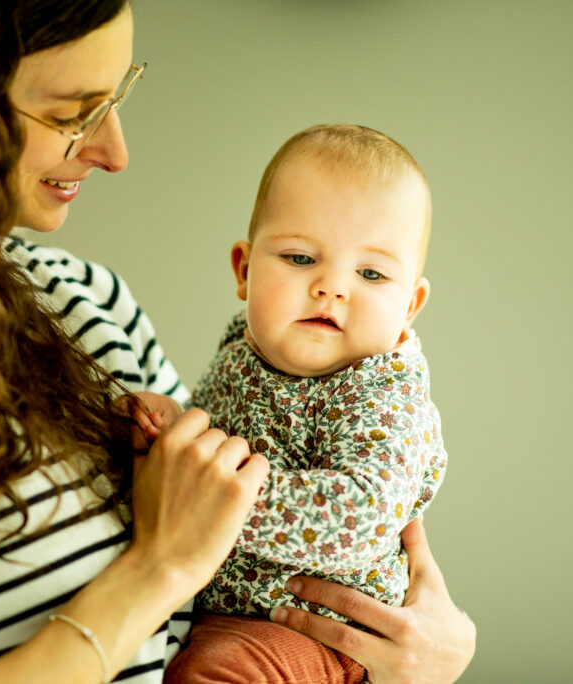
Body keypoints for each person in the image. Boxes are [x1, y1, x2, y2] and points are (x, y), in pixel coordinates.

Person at [0, 3, 475, 684]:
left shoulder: (88, 298)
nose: (115, 151)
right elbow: (195, 540)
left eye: (118, 98)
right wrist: (158, 568)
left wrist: (424, 653)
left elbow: (247, 497)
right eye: (75, 112)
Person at [163, 124, 449, 683]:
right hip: (229, 608)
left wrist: (211, 501)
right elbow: (207, 440)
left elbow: (360, 518)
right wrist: (170, 428)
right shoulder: (243, 348)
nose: (331, 287)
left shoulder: (382, 392)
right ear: (244, 270)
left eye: (370, 273)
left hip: (315, 629)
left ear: (410, 305)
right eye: (298, 258)